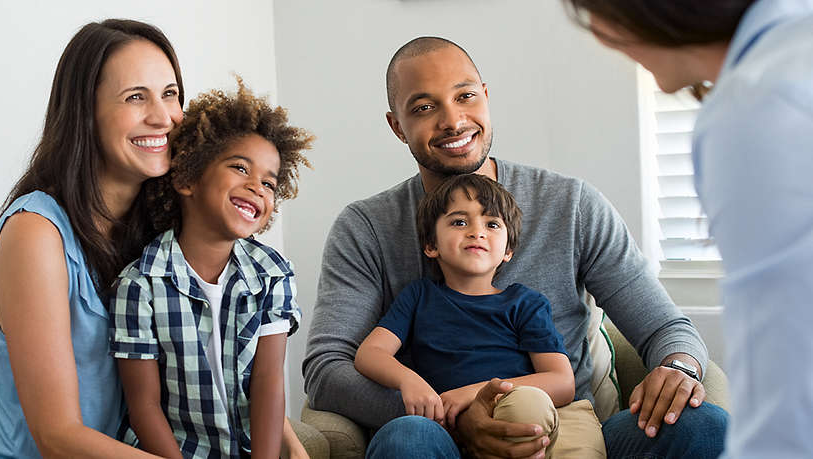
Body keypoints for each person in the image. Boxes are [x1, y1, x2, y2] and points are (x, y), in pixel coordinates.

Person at [302, 36, 729, 459]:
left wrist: (678, 367)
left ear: (485, 97)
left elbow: (666, 328)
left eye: (465, 96)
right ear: (398, 126)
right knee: (407, 439)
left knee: (707, 427)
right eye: (424, 107)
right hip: (437, 434)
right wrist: (453, 414)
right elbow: (328, 369)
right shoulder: (366, 228)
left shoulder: (571, 205)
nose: (453, 121)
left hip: (563, 427)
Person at [561, 0, 813, 457]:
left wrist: (680, 364)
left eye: (590, 11)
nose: (597, 35)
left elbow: (786, 367)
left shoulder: (756, 108)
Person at [0, 20, 185, 458]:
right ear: (86, 110)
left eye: (171, 93)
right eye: (135, 97)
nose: (163, 117)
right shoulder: (35, 233)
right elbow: (58, 437)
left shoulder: (163, 228)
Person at [109, 78, 314, 459]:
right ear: (187, 178)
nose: (257, 187)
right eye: (240, 167)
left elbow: (268, 387)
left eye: (270, 183)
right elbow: (144, 407)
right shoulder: (138, 286)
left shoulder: (273, 274)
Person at [354, 173, 606, 458]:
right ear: (431, 245)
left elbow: (561, 382)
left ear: (508, 250)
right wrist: (408, 380)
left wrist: (471, 393)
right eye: (459, 222)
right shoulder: (419, 296)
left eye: (492, 224)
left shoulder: (525, 302)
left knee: (526, 405)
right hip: (448, 430)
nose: (477, 231)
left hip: (515, 413)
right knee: (408, 433)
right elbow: (370, 353)